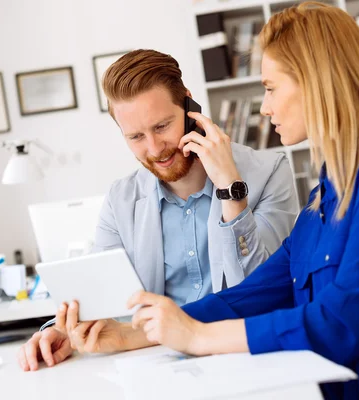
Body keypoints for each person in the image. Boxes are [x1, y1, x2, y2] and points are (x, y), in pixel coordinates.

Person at [41, 3, 359, 399]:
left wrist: (196, 337)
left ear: (316, 82)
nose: (265, 108)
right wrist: (132, 334)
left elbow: (340, 322)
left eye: (271, 88)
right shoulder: (326, 192)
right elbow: (254, 294)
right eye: (135, 135)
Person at [17, 49, 298, 371]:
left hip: (243, 353)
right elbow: (99, 293)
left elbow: (263, 292)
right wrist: (60, 330)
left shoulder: (269, 172)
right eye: (136, 136)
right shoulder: (121, 199)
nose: (153, 149)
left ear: (190, 107)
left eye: (162, 126)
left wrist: (229, 189)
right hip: (159, 362)